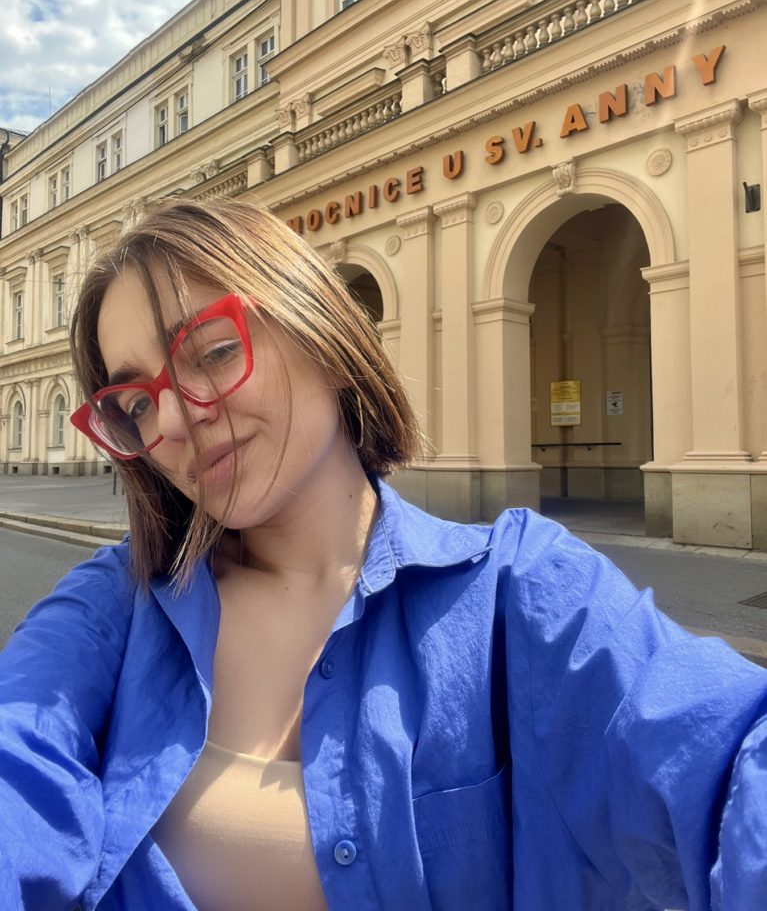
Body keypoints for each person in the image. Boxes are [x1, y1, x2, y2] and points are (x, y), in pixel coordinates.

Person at [0, 197, 764, 911]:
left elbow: (723, 758)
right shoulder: (111, 609)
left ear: (322, 333)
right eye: (132, 404)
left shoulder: (514, 592)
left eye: (212, 351)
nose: (168, 418)